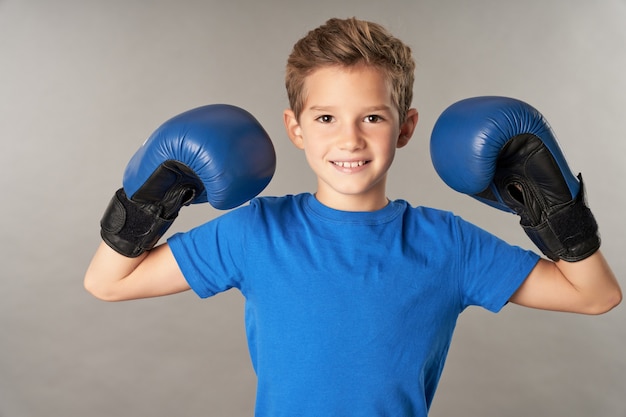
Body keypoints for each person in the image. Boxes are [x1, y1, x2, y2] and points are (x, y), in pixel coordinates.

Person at [84, 17, 621, 417]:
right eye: (325, 117)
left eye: (372, 117)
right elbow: (106, 283)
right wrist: (147, 203)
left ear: (405, 127)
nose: (349, 139)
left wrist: (559, 208)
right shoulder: (255, 232)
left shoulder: (448, 243)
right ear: (295, 129)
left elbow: (596, 296)